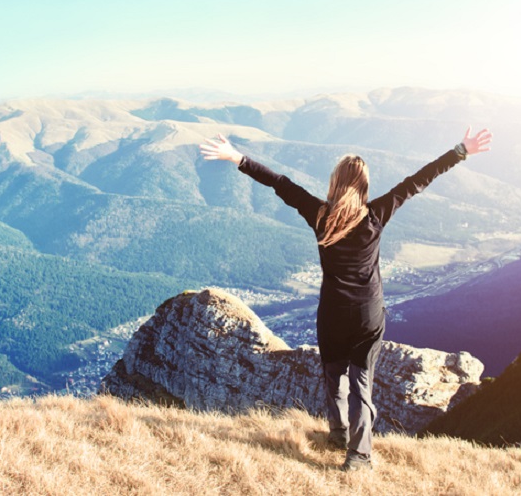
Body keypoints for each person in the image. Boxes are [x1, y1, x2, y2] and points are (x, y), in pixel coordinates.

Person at [199, 127, 492, 471]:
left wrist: (237, 157)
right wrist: (461, 150)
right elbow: (418, 181)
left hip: (332, 314)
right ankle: (359, 456)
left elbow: (280, 183)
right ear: (364, 185)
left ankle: (337, 434)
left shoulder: (320, 215)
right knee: (361, 385)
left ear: (335, 182)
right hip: (367, 316)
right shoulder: (376, 216)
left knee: (334, 377)